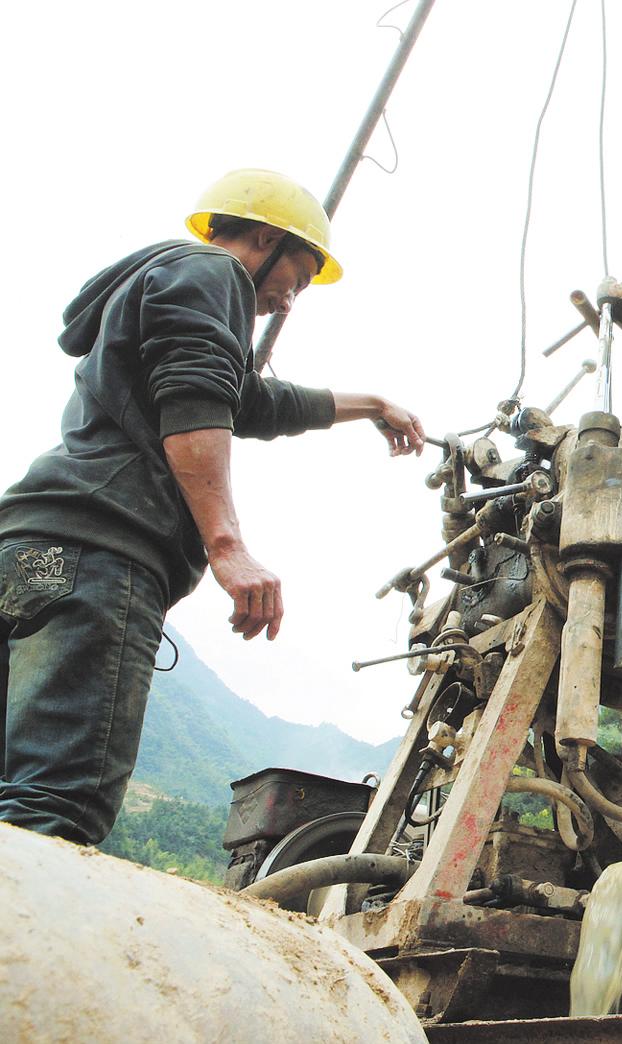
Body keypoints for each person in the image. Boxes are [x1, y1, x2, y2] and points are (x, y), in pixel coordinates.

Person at [0, 169, 427, 846]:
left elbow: (250, 401)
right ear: (263, 238)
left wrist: (369, 405)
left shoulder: (156, 287)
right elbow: (196, 396)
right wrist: (227, 547)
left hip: (33, 551)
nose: (290, 299)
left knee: (14, 792)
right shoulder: (210, 273)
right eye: (299, 276)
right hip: (102, 554)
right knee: (53, 809)